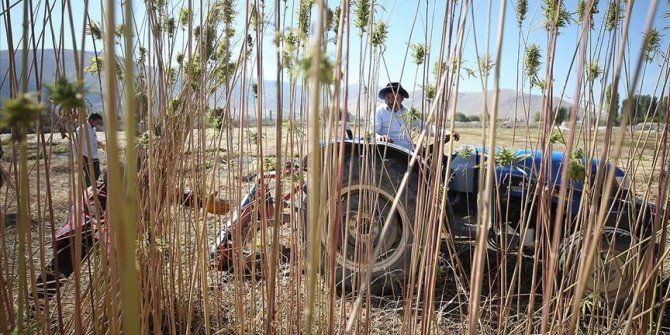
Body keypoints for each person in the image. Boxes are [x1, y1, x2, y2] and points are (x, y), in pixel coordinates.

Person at [372, 82, 459, 151]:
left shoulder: (408, 112)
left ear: (402, 98)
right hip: (390, 150)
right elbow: (371, 133)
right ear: (384, 98)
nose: (391, 101)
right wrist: (381, 137)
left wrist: (446, 132)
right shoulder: (379, 111)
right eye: (388, 97)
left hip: (409, 150)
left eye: (395, 97)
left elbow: (424, 127)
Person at [77, 113, 104, 187]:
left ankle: (94, 190)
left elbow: (92, 139)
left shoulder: (93, 129)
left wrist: (99, 143)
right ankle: (87, 192)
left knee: (97, 174)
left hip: (94, 156)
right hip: (85, 156)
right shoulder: (82, 128)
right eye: (97, 121)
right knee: (89, 176)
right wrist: (77, 157)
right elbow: (76, 143)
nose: (98, 124)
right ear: (91, 120)